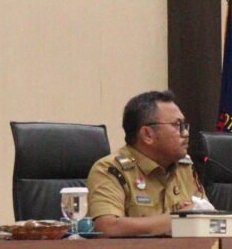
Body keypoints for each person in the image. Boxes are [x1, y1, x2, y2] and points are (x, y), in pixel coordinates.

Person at [87, 90, 206, 237]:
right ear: (147, 134)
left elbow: (206, 216)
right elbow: (108, 226)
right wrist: (180, 219)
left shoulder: (185, 168)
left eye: (185, 125)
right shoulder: (111, 169)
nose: (186, 133)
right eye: (177, 125)